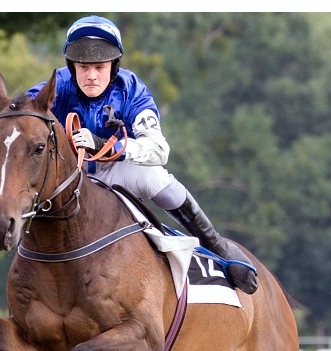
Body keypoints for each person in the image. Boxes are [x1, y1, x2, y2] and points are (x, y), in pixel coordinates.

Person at [27, 15, 258, 294]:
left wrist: (106, 144)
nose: (91, 76)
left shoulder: (131, 90)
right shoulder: (56, 85)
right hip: (66, 178)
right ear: (71, 65)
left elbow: (160, 150)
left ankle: (217, 246)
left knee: (153, 177)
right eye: (83, 67)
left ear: (113, 67)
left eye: (99, 67)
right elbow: (20, 116)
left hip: (115, 171)